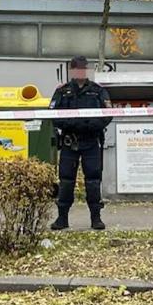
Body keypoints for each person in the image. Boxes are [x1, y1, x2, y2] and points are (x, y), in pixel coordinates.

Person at [50, 56, 112, 230]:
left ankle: (96, 218)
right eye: (77, 69)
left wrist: (91, 125)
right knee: (66, 181)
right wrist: (73, 124)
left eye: (83, 69)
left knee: (93, 180)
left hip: (91, 141)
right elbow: (53, 114)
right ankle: (62, 218)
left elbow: (108, 113)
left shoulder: (98, 91)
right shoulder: (62, 91)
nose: (80, 72)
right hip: (70, 142)